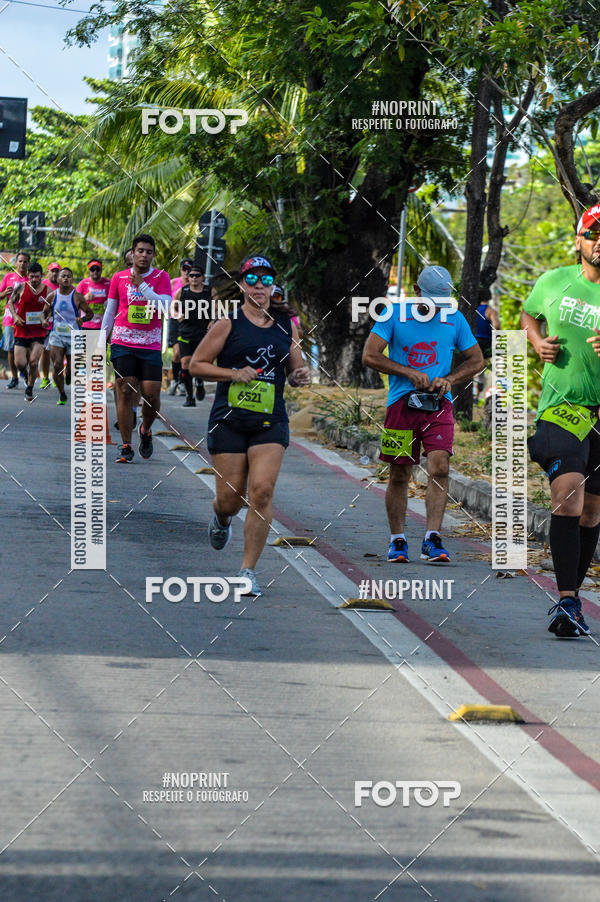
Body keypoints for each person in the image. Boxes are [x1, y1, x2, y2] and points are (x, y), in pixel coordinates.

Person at [190, 254, 310, 595]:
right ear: (242, 286)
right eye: (253, 280)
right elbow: (197, 364)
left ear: (273, 286)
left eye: (266, 280)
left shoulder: (288, 325)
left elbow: (296, 369)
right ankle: (222, 517)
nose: (260, 286)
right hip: (229, 420)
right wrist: (233, 373)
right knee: (230, 500)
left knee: (261, 492)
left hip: (269, 422)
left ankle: (247, 572)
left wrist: (300, 376)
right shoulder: (227, 324)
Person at [362, 265, 484, 564]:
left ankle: (432, 538)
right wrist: (407, 372)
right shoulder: (393, 314)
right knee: (400, 471)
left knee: (440, 467)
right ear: (416, 292)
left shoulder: (453, 319)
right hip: (401, 406)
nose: (437, 309)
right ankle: (398, 539)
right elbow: (369, 355)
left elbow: (476, 360)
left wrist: (450, 379)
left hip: (438, 404)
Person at [522, 203, 600, 638]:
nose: (599, 240)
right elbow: (528, 313)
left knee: (592, 510)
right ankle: (568, 599)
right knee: (569, 496)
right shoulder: (553, 281)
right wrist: (536, 341)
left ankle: (575, 595)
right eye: (593, 232)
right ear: (578, 239)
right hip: (561, 409)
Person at [101, 233, 171, 463]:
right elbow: (111, 311)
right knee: (125, 390)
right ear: (133, 253)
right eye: (140, 251)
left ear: (153, 255)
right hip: (123, 342)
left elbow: (164, 306)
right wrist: (102, 339)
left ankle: (145, 430)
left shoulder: (161, 277)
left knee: (151, 394)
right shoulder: (119, 277)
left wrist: (143, 286)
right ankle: (125, 444)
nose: (144, 255)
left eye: (148, 252)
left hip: (150, 344)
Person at [42, 267, 93, 404]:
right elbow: (44, 312)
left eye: (69, 276)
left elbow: (90, 313)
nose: (66, 278)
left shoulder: (77, 297)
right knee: (57, 365)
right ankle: (62, 394)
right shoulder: (52, 296)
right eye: (63, 276)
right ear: (58, 279)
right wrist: (44, 321)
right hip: (57, 335)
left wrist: (83, 320)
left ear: (72, 280)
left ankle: (69, 376)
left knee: (71, 369)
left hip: (74, 335)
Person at [7, 262, 51, 401]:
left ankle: (30, 388)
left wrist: (47, 319)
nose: (34, 280)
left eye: (37, 277)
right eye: (31, 276)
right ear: (28, 276)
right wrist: (15, 316)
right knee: (19, 363)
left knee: (33, 361)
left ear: (41, 276)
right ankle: (25, 374)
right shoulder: (20, 288)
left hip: (38, 331)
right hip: (22, 329)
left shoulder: (48, 291)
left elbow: (52, 309)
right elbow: (10, 302)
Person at [173, 264, 212, 406]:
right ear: (188, 278)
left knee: (201, 363)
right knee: (185, 363)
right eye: (191, 275)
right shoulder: (182, 291)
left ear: (203, 277)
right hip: (185, 332)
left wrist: (213, 321)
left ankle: (200, 382)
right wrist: (178, 315)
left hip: (203, 333)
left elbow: (218, 309)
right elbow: (174, 307)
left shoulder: (209, 291)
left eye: (197, 275)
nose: (194, 278)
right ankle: (190, 397)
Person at [0, 251, 29, 388]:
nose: (22, 264)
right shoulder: (8, 277)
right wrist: (5, 293)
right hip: (10, 319)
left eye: (25, 261)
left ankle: (25, 370)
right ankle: (14, 378)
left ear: (28, 263)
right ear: (16, 263)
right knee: (10, 349)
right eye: (20, 261)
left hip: (26, 319)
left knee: (27, 348)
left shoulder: (31, 279)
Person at [168, 258, 193, 395]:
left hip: (190, 324)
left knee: (186, 356)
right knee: (177, 353)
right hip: (175, 321)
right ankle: (174, 380)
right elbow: (167, 303)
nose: (187, 272)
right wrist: (176, 313)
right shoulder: (173, 283)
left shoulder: (196, 285)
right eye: (184, 269)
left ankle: (183, 382)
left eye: (189, 270)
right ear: (181, 270)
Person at [40, 262, 62, 388]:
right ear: (48, 272)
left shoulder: (64, 285)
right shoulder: (42, 285)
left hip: (60, 324)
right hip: (46, 324)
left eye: (57, 271)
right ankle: (45, 378)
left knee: (58, 353)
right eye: (52, 271)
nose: (55, 273)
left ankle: (57, 377)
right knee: (46, 351)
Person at [76, 259, 111, 331]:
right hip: (85, 323)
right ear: (89, 270)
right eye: (92, 269)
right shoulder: (83, 283)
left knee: (100, 343)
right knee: (86, 342)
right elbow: (74, 301)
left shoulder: (108, 283)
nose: (95, 272)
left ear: (101, 270)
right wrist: (84, 298)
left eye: (98, 269)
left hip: (102, 324)